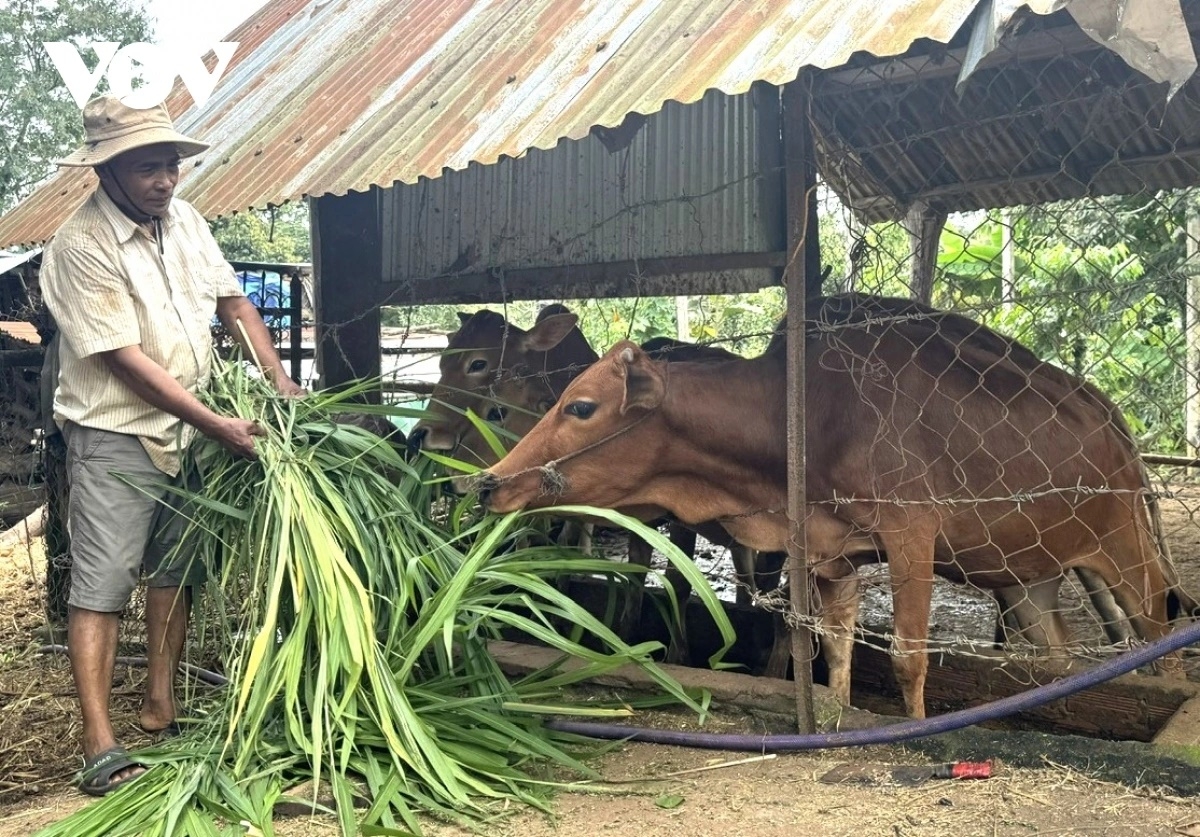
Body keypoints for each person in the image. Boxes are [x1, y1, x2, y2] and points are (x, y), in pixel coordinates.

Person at [40, 95, 305, 797]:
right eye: (147, 169)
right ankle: (100, 741)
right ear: (106, 171)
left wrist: (279, 380)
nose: (164, 181)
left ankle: (162, 703)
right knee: (102, 584)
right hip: (116, 432)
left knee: (174, 569)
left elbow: (234, 304)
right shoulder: (79, 246)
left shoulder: (185, 220)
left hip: (191, 428)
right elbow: (124, 360)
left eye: (171, 166)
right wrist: (218, 424)